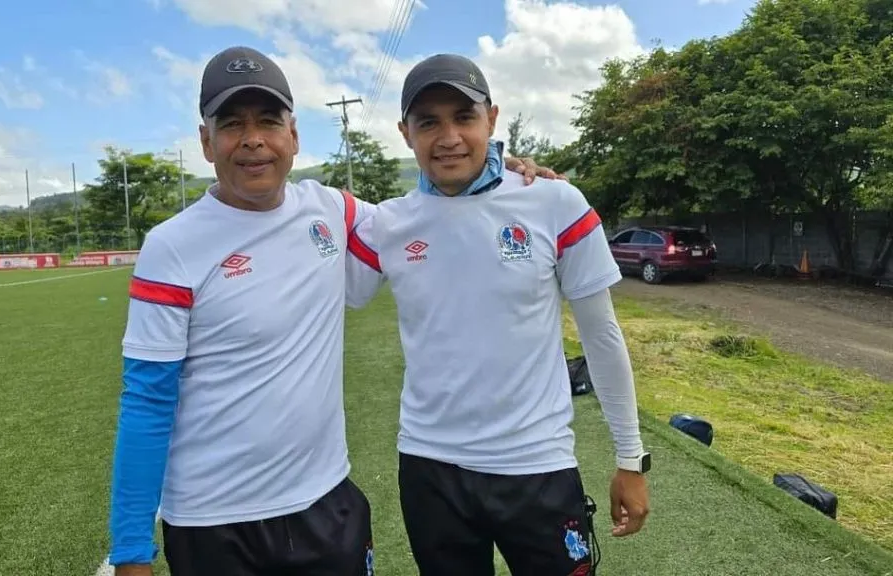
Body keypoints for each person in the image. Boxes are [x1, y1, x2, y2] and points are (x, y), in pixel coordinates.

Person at [108, 46, 561, 576]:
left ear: (293, 135)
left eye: (268, 121)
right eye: (231, 124)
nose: (253, 139)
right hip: (214, 521)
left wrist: (502, 172)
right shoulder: (172, 247)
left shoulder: (331, 210)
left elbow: (434, 209)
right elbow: (147, 399)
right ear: (207, 142)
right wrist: (131, 549)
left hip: (326, 503)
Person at [344, 53, 651, 576]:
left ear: (491, 119)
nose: (449, 138)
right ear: (405, 132)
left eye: (464, 117)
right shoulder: (387, 224)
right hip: (430, 468)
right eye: (428, 122)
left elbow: (602, 337)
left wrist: (631, 457)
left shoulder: (555, 203)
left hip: (537, 465)